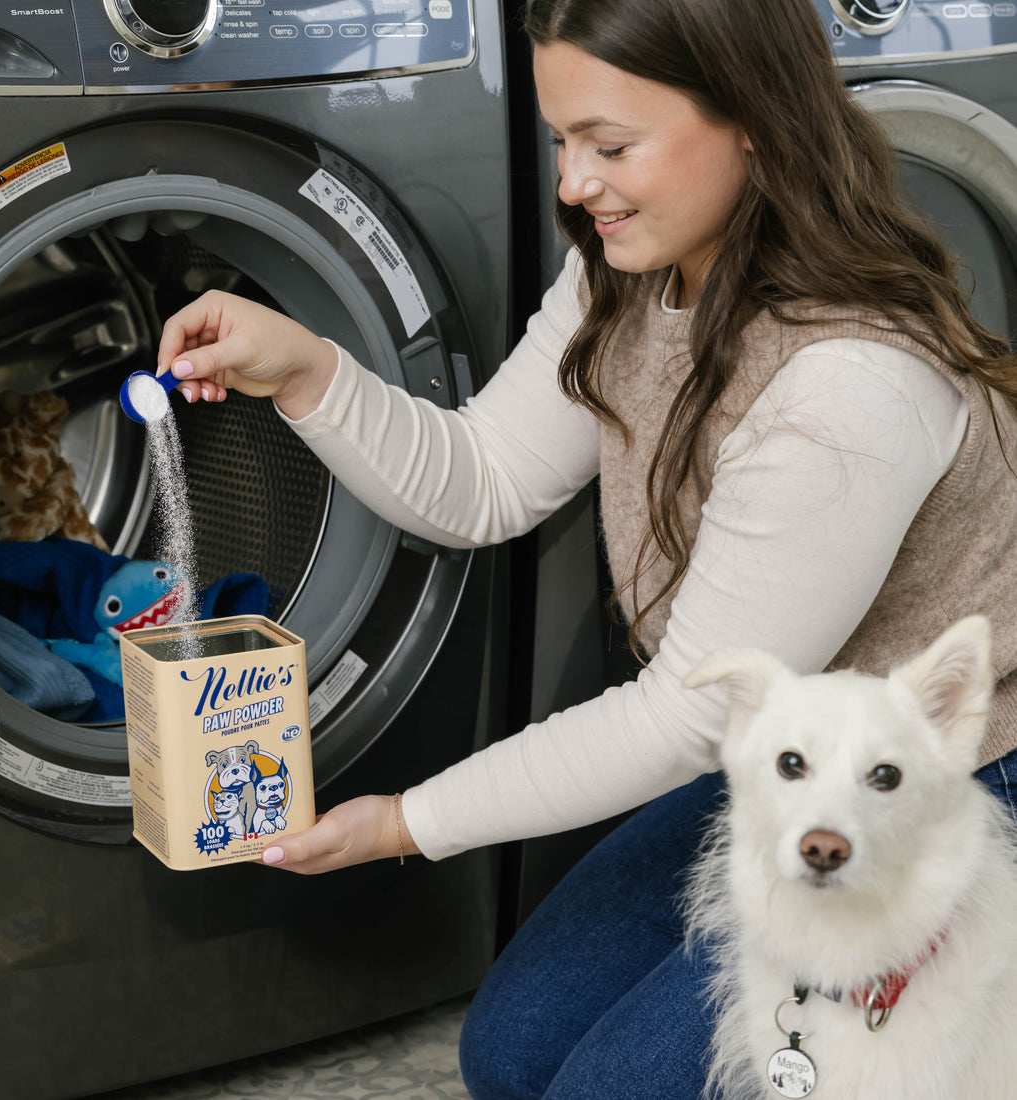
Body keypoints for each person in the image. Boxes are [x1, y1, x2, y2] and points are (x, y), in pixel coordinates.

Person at [156, 0, 1017, 1094]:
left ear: (752, 117)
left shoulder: (847, 389)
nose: (571, 183)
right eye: (562, 141)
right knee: (510, 1050)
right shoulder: (634, 265)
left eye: (608, 146)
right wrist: (309, 372)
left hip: (954, 779)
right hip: (787, 756)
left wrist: (405, 823)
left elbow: (678, 715)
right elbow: (484, 479)